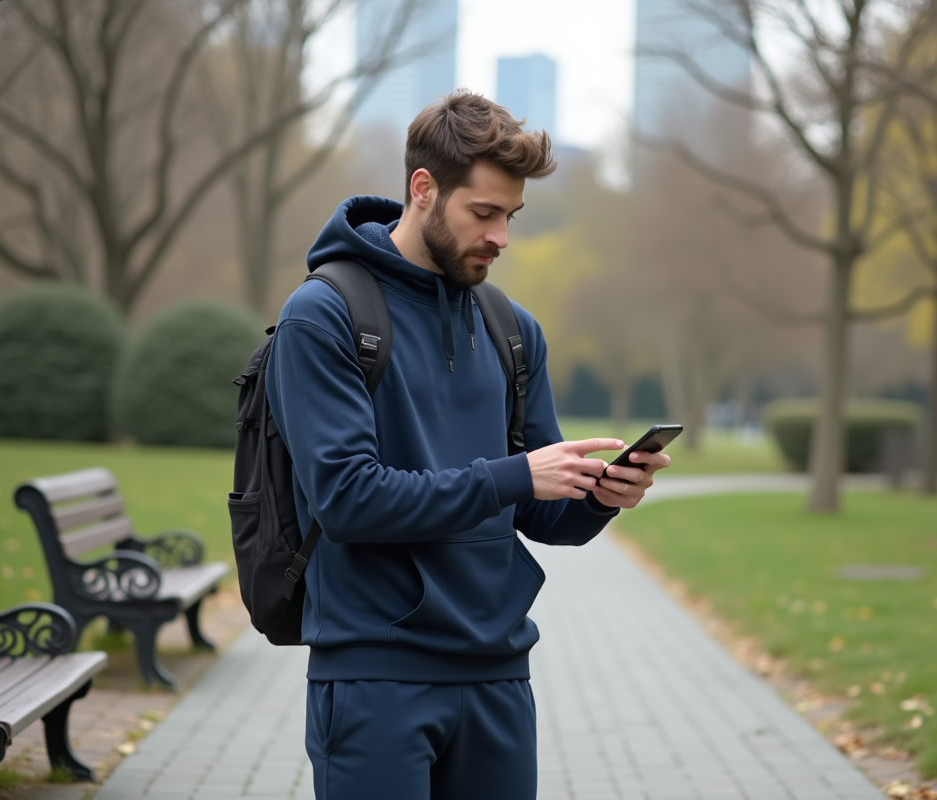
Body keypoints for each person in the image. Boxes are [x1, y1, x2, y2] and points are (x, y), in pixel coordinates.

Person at [265, 90, 671, 800]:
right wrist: (515, 476)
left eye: (510, 216)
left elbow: (544, 518)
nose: (501, 237)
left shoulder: (514, 330)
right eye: (483, 213)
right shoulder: (324, 316)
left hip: (497, 674)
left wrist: (601, 495)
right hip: (374, 675)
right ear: (423, 189)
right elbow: (348, 501)